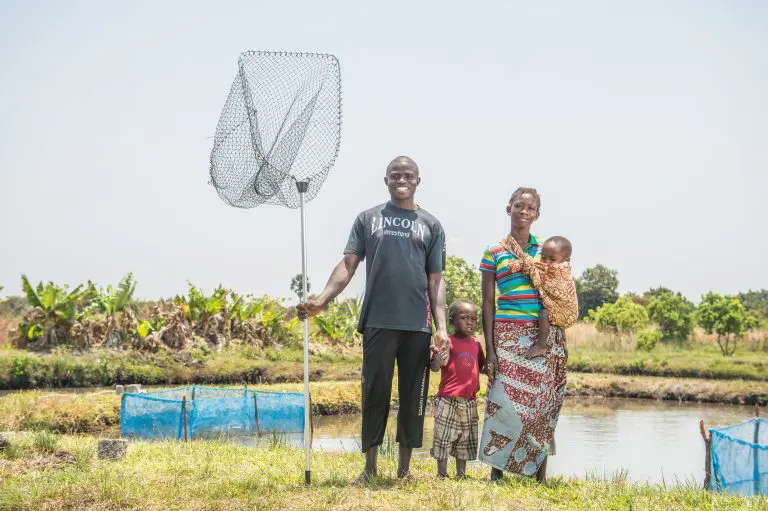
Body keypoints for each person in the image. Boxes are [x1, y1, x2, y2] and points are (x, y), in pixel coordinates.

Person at [296, 156, 448, 484]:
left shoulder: (431, 225)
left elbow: (435, 280)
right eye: (395, 175)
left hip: (418, 325)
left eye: (408, 175)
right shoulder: (368, 219)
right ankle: (370, 468)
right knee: (375, 392)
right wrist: (321, 300)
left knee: (412, 397)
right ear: (386, 180)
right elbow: (348, 265)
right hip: (378, 320)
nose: (401, 179)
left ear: (418, 180)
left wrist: (442, 329)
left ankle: (405, 471)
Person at [478, 187, 568, 483]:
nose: (524, 212)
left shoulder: (547, 250)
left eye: (530, 208)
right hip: (506, 334)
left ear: (537, 215)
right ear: (509, 209)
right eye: (519, 206)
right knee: (502, 400)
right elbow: (488, 303)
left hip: (542, 335)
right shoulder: (494, 252)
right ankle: (497, 473)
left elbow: (560, 288)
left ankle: (539, 475)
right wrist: (490, 350)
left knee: (540, 404)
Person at [430, 299, 485, 479]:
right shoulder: (448, 342)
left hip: (469, 400)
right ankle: (442, 473)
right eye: (464, 318)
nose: (470, 322)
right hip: (448, 398)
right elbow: (435, 367)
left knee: (465, 438)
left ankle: (461, 474)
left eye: (474, 319)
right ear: (452, 321)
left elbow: (482, 367)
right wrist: (437, 358)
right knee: (444, 436)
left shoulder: (476, 344)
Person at [501, 235, 578, 359]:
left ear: (566, 260)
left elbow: (541, 277)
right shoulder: (547, 267)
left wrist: (528, 266)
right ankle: (555, 344)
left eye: (552, 259)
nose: (546, 262)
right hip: (558, 312)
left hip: (566, 311)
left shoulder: (561, 271)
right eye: (543, 258)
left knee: (543, 314)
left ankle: (540, 346)